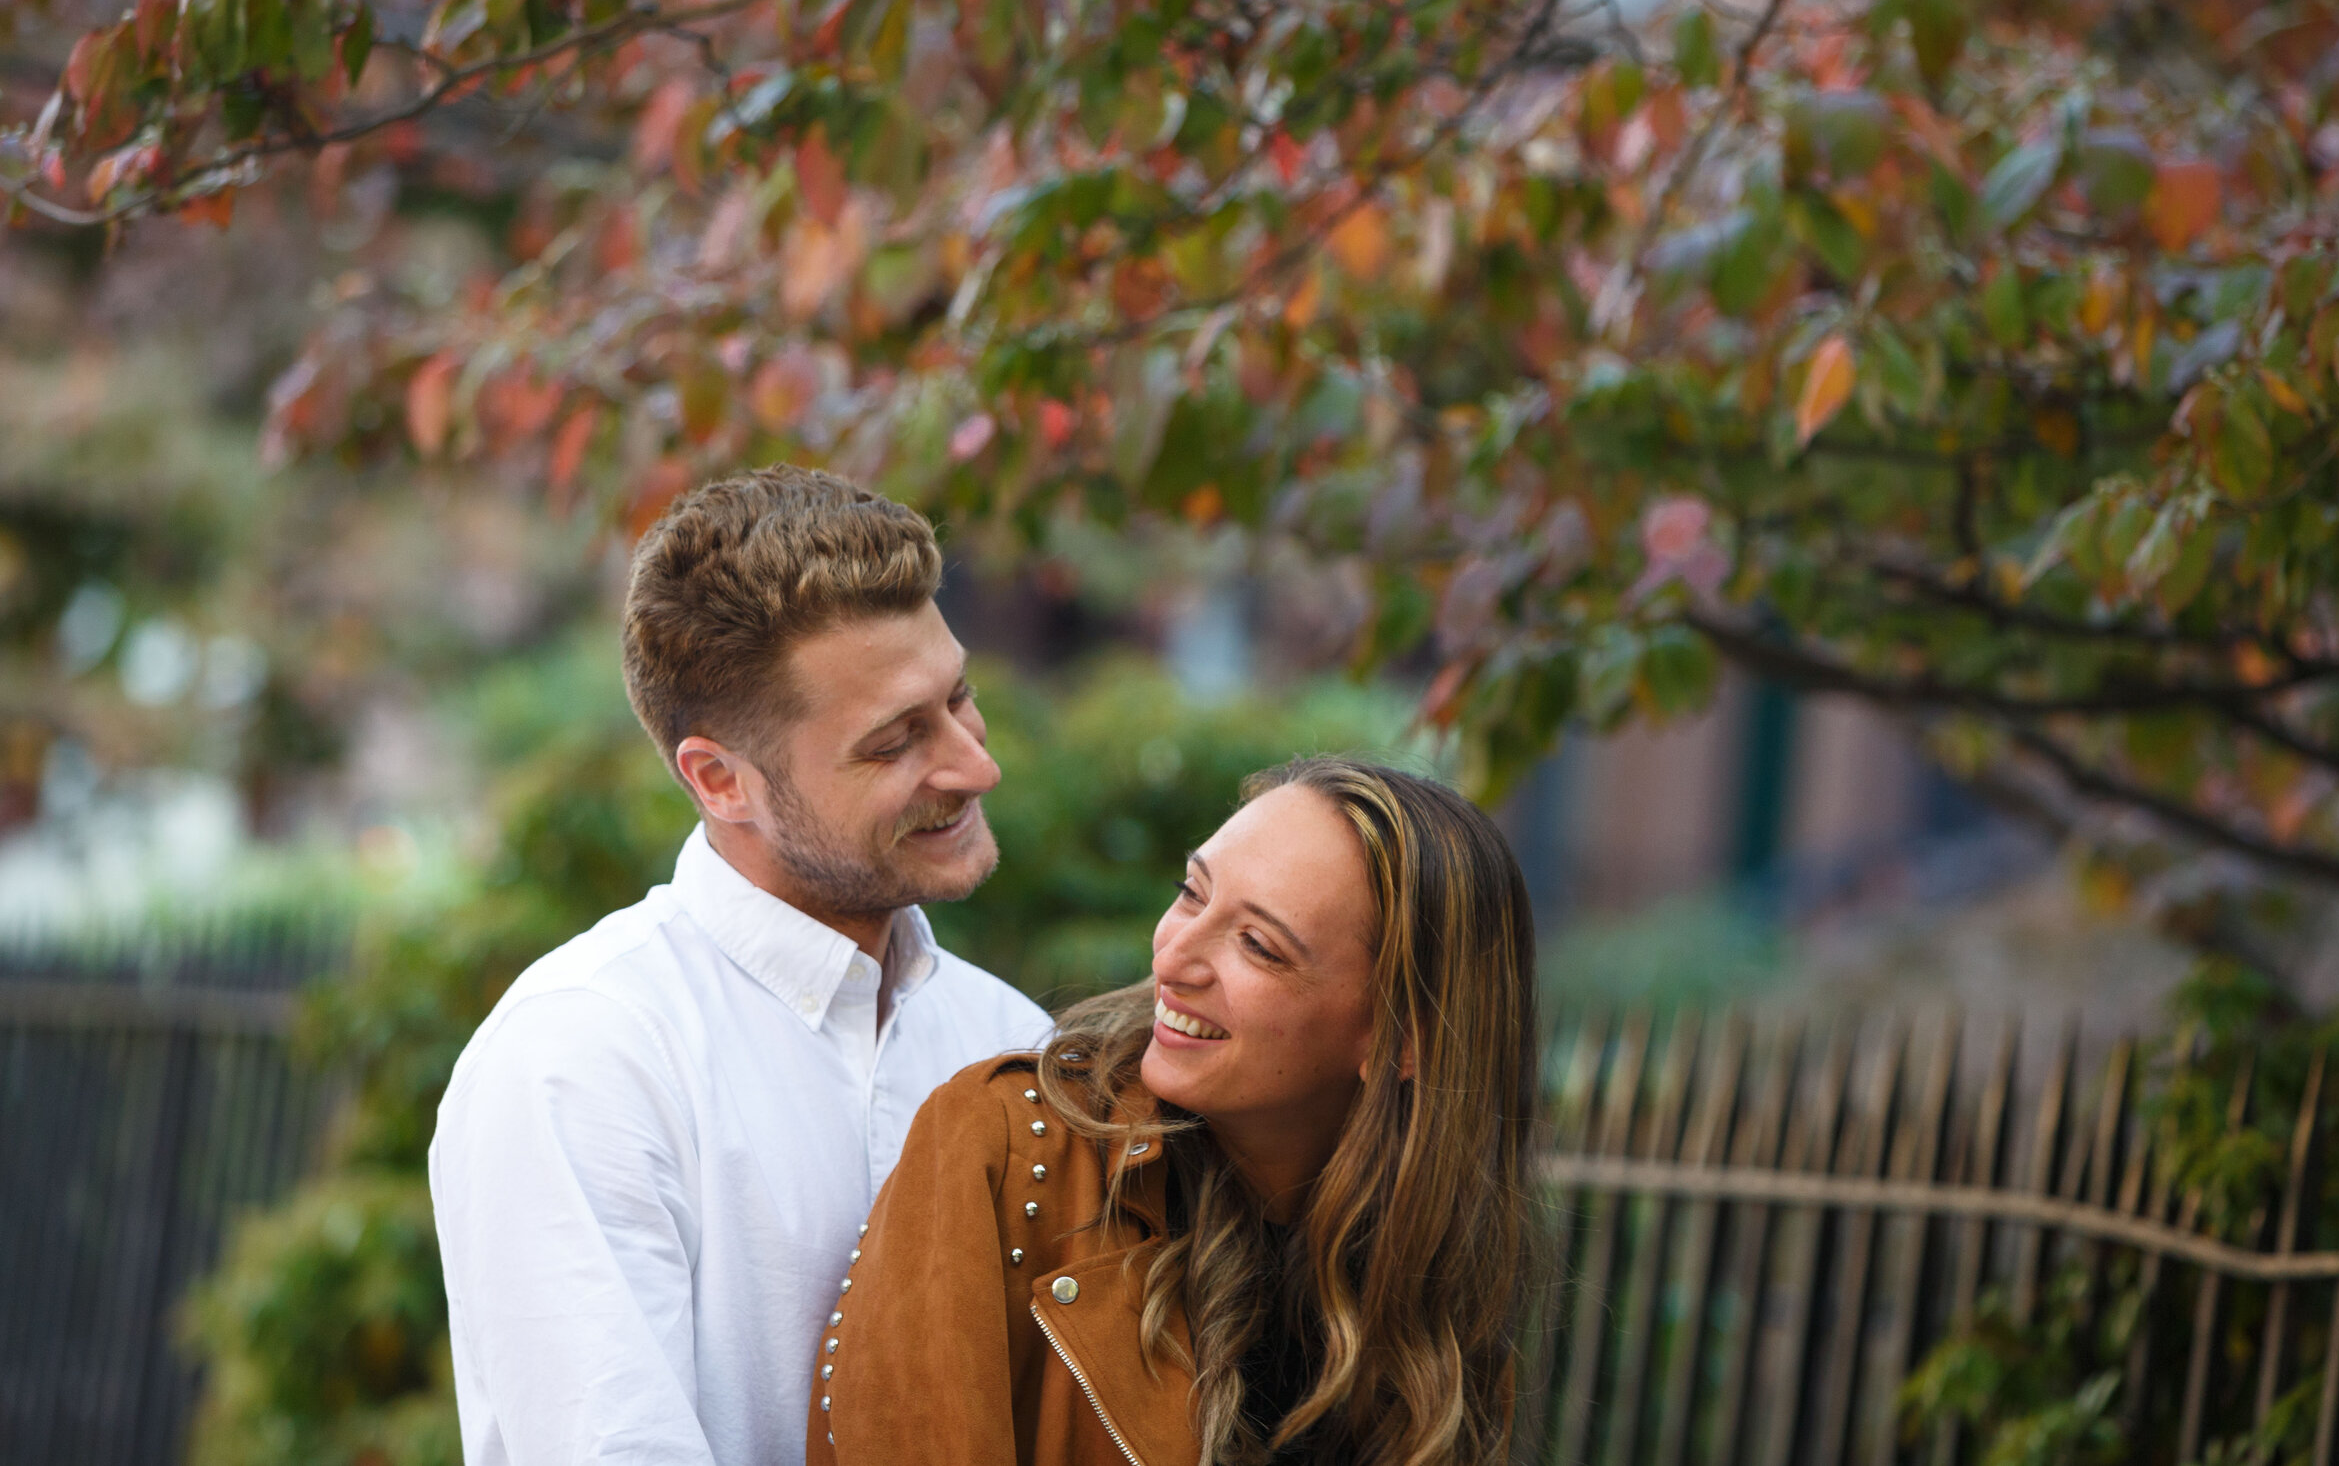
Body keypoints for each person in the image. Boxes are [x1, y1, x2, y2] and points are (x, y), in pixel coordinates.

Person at [430, 468, 1052, 1466]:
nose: (976, 765)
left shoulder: (1016, 1042)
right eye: (896, 741)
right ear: (721, 780)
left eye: (959, 697)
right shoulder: (579, 1059)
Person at [811, 755, 1538, 1466]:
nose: (1173, 957)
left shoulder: (1441, 1334)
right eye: (1192, 893)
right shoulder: (1006, 1147)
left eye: (1258, 944)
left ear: (1401, 1038)